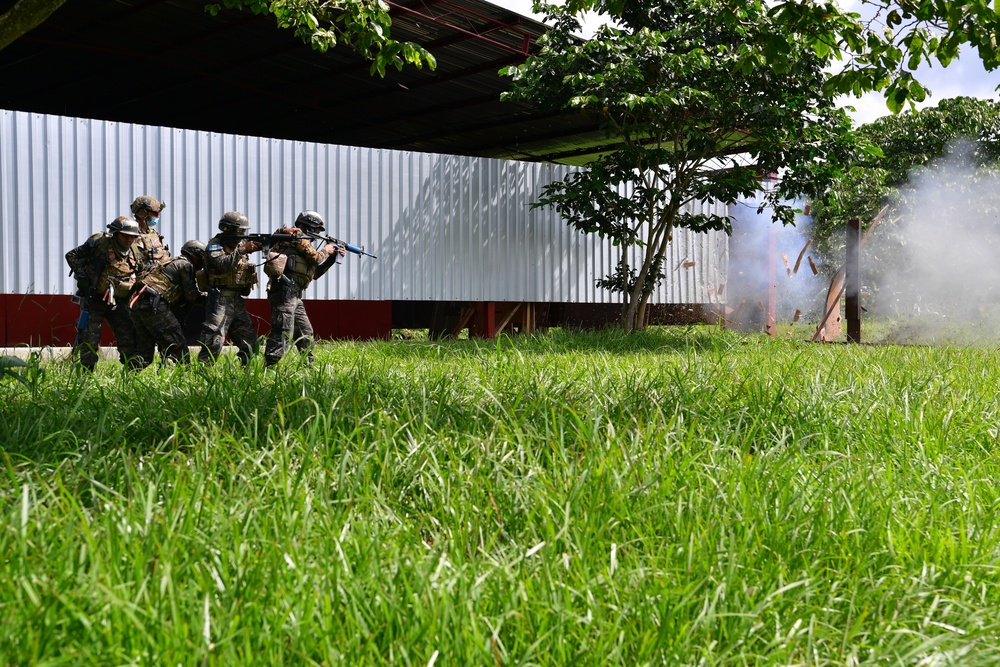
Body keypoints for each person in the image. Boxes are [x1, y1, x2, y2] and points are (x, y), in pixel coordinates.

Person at [65, 216, 147, 371]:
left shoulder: (135, 250)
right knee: (90, 339)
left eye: (133, 236)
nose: (129, 239)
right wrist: (82, 276)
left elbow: (141, 270)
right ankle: (86, 374)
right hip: (94, 298)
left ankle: (131, 374)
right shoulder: (99, 243)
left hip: (120, 301)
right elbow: (71, 255)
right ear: (115, 233)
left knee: (128, 337)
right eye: (125, 235)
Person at [263, 210, 344, 366]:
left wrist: (332, 258)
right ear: (306, 227)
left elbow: (315, 273)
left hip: (294, 295)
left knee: (305, 333)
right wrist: (327, 250)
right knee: (282, 332)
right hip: (284, 292)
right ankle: (269, 367)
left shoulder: (302, 248)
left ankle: (308, 366)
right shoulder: (297, 238)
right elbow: (316, 258)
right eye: (315, 231)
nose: (316, 235)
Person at [197, 211, 263, 365]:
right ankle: (202, 373)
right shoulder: (215, 245)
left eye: (244, 231)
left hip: (236, 300)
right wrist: (243, 250)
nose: (243, 234)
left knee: (249, 341)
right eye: (240, 231)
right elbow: (223, 264)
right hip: (220, 299)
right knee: (214, 339)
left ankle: (247, 373)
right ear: (229, 230)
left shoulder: (240, 245)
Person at [130, 240, 207, 366]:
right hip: (155, 305)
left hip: (139, 304)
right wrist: (208, 297)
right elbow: (192, 296)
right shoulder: (186, 265)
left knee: (144, 352)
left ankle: (128, 376)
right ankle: (176, 379)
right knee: (177, 347)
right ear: (194, 255)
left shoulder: (169, 262)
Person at [129, 195, 171, 265]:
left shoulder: (153, 232)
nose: (158, 216)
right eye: (155, 213)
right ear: (143, 213)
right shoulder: (130, 233)